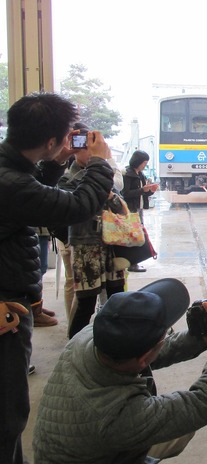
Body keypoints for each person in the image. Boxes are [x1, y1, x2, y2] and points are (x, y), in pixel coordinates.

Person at [0, 92, 114, 464]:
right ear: (50, 141)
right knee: (8, 416)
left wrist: (55, 162)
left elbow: (37, 195)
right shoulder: (11, 182)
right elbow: (72, 207)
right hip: (5, 311)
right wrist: (100, 164)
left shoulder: (11, 171)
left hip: (11, 301)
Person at [33, 278, 207, 463]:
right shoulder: (117, 417)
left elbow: (146, 353)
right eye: (165, 334)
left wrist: (199, 337)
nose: (167, 335)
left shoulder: (92, 335)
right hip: (100, 441)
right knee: (185, 423)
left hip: (81, 442)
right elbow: (203, 403)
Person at [57, 129, 127, 339]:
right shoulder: (68, 175)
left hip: (111, 244)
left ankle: (115, 340)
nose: (89, 151)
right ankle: (73, 347)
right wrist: (91, 169)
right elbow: (68, 202)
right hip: (85, 246)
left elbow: (119, 205)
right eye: (84, 147)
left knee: (117, 296)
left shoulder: (105, 171)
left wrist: (110, 191)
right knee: (86, 301)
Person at [121, 150, 158, 272]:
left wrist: (151, 190)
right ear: (138, 162)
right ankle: (132, 263)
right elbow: (125, 193)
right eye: (144, 163)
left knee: (138, 236)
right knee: (133, 236)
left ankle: (135, 262)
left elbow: (144, 193)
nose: (144, 165)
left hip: (139, 208)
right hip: (130, 210)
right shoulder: (127, 174)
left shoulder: (140, 175)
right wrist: (143, 190)